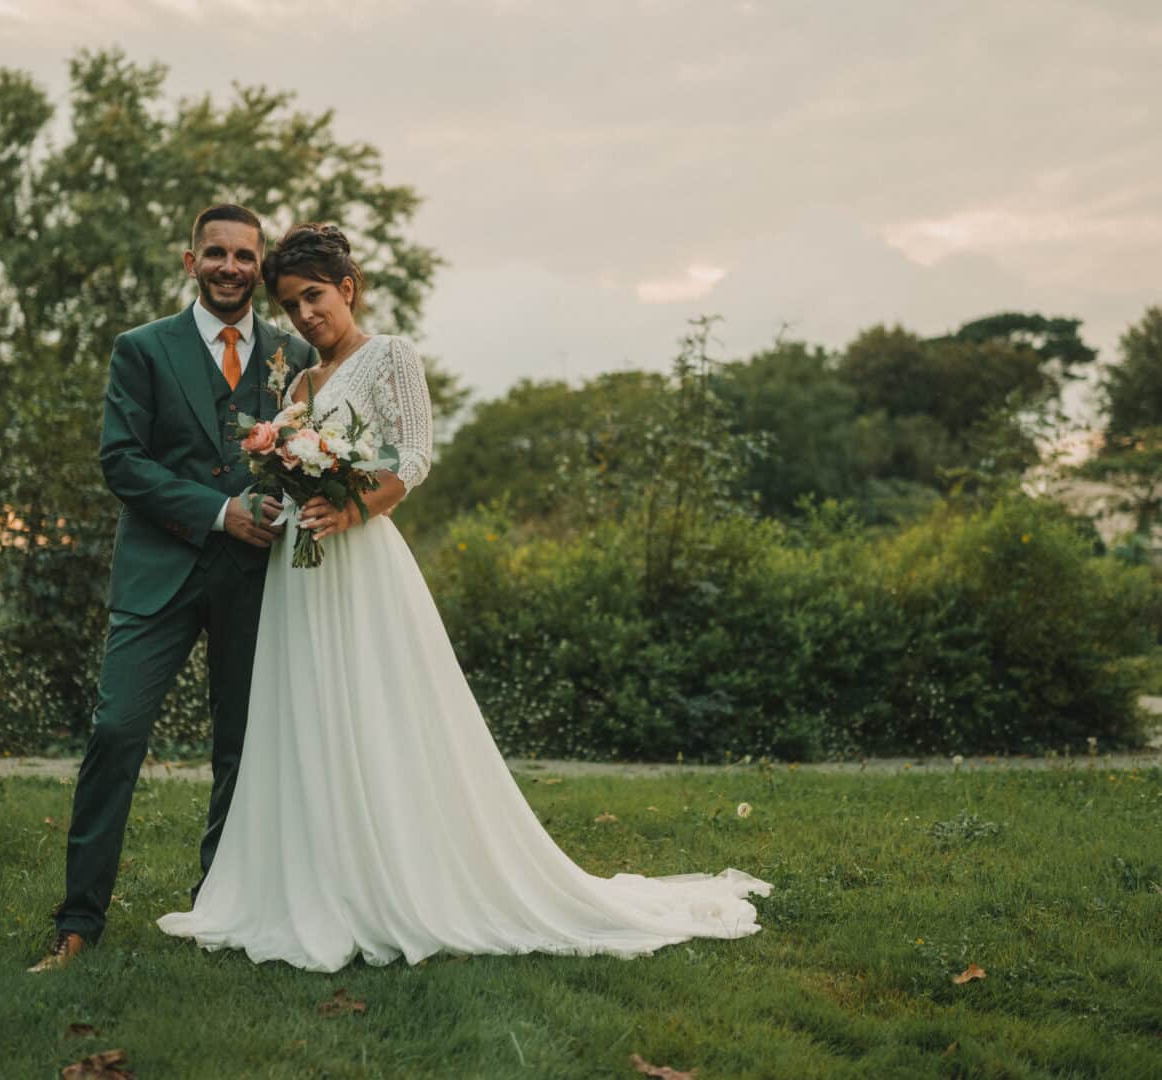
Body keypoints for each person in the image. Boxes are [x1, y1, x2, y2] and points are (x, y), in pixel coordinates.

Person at [157, 223, 772, 972]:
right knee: (310, 712)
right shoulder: (296, 388)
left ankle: (399, 877)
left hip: (362, 563)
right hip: (301, 570)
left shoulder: (390, 357)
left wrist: (348, 510)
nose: (305, 315)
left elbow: (412, 460)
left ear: (347, 288)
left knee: (380, 713)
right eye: (289, 304)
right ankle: (317, 880)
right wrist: (289, 501)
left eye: (314, 296)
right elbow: (294, 471)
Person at [31, 204, 314, 972]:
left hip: (259, 580)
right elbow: (122, 461)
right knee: (116, 731)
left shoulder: (293, 354)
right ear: (190, 262)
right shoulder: (142, 350)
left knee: (243, 748)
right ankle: (79, 919)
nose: (230, 267)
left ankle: (219, 908)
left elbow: (311, 457)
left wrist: (289, 498)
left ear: (260, 266)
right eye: (215, 254)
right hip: (160, 572)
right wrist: (220, 511)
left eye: (245, 256)